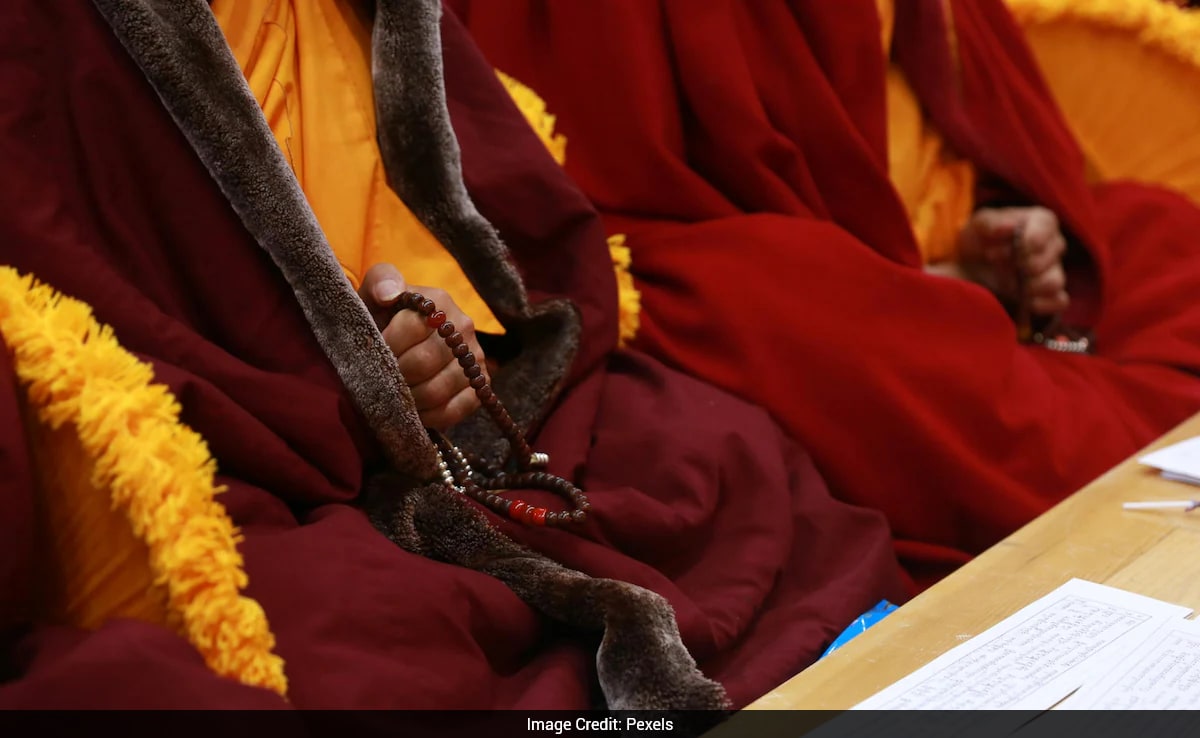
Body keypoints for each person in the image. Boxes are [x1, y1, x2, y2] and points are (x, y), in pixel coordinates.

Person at [0, 0, 906, 711]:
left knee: (719, 453)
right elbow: (82, 297)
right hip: (257, 453)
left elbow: (469, 192)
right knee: (350, 654)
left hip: (470, 419)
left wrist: (450, 317)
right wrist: (342, 373)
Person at [450, 0, 1200, 588]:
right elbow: (598, 180)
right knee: (798, 302)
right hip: (718, 256)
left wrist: (992, 213)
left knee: (1161, 228)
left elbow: (950, 109)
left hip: (928, 258)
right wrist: (910, 284)